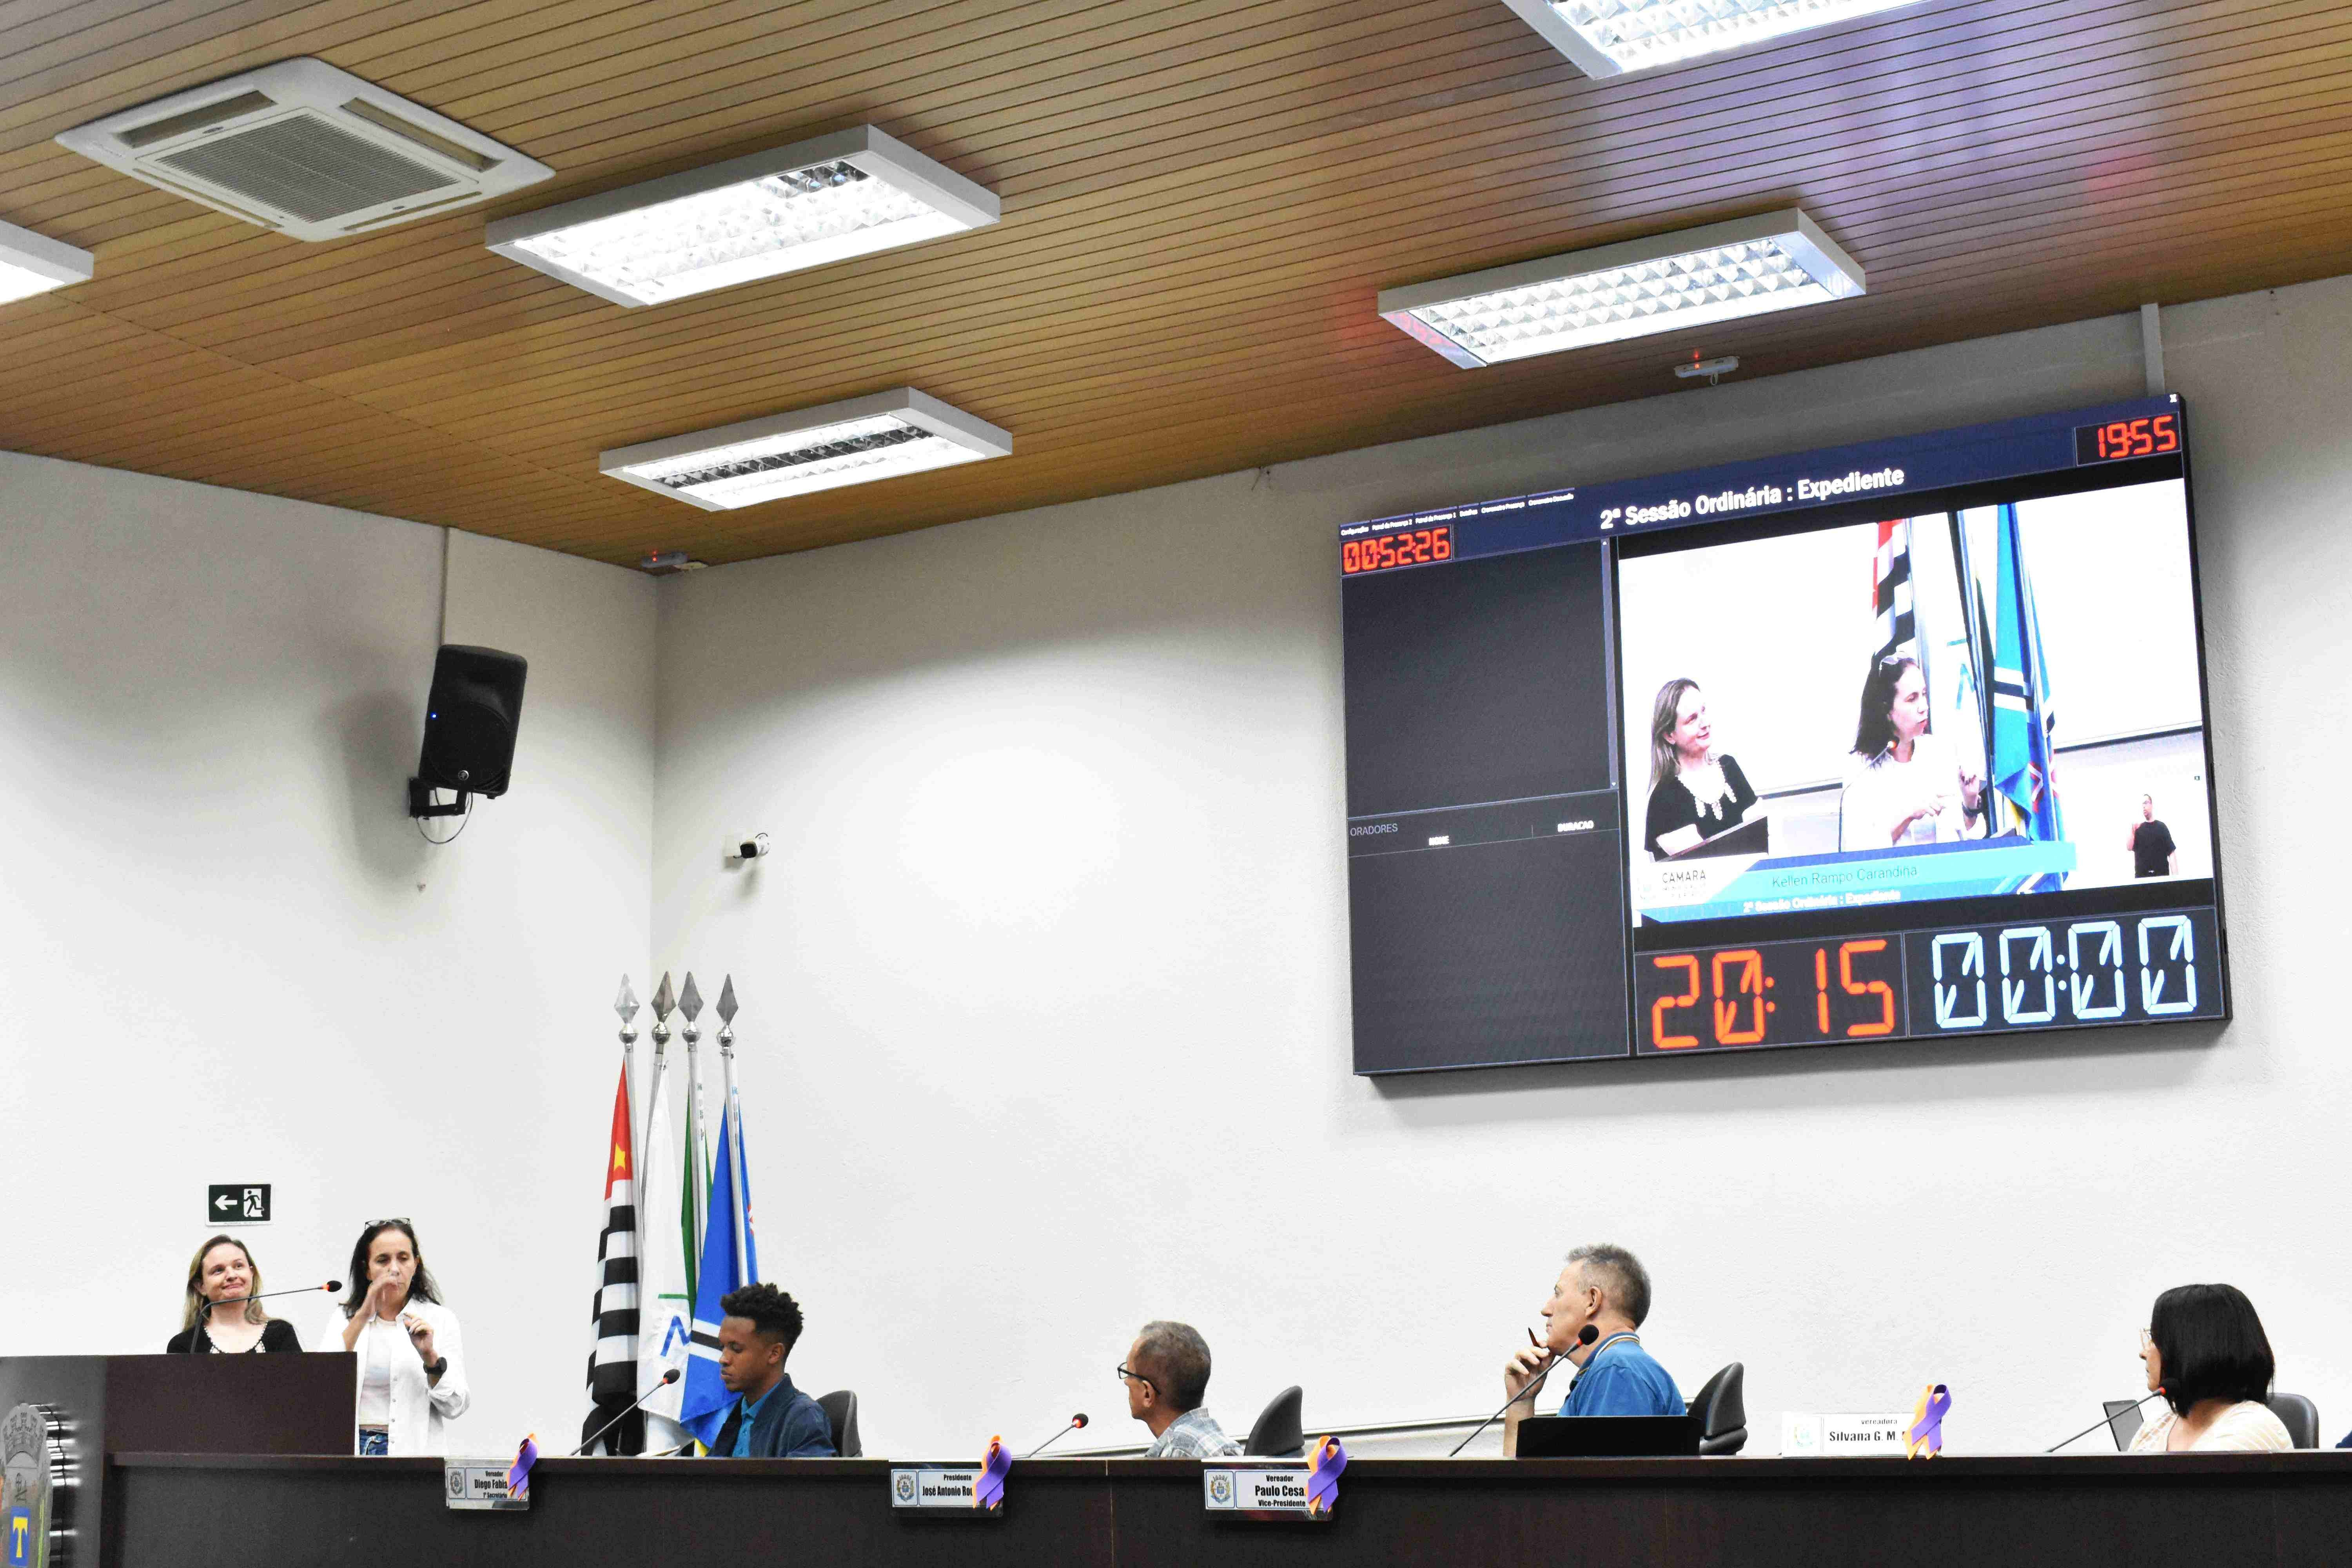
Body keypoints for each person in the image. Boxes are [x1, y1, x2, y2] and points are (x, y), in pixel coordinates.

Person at [1500, 1244, 1682, 1457]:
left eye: (1558, 1294)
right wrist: (1521, 1401)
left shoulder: (1617, 1371)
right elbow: (1519, 1478)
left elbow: (1606, 1478)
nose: (1546, 1309)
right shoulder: (1614, 1369)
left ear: (1592, 1301)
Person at [337, 1219, 467, 1456]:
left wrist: (431, 1359)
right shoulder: (344, 1319)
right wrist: (362, 1315)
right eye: (383, 1260)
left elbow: (455, 1406)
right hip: (353, 1453)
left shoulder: (441, 1319)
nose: (394, 1269)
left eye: (403, 1258)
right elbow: (321, 1386)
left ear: (416, 1264)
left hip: (411, 1455)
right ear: (367, 1270)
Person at [1838, 655, 1985, 849]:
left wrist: (1970, 801)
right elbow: (1857, 851)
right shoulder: (1861, 769)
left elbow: (1969, 832)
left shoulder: (1939, 750)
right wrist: (1908, 814)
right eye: (1912, 699)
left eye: (1924, 694)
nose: (1924, 707)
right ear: (1887, 710)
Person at [2128, 1283, 2292, 1452]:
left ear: (2192, 1349)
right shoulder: (2154, 1428)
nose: (2143, 1353)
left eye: (2155, 1339)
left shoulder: (2255, 1427)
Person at [708, 1283, 836, 1457]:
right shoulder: (740, 1414)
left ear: (774, 1354)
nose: (723, 1359)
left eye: (736, 1349)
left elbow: (808, 1476)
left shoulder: (804, 1417)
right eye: (722, 1347)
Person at [1642, 678, 1760, 859]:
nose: (1705, 724)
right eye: (1692, 719)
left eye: (1703, 711)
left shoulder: (1730, 767)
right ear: (1669, 735)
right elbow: (1705, 863)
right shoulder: (1664, 798)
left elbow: (1760, 836)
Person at [1120, 1321, 1241, 1458]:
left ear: (1147, 1393)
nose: (1126, 1382)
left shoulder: (1178, 1454)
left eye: (1129, 1373)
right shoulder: (1222, 1444)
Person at [167, 1234, 303, 1354]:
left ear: (252, 1273)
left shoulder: (281, 1334)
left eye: (239, 1266)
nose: (232, 1275)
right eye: (219, 1270)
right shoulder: (184, 1345)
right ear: (201, 1286)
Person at [2127, 794, 2177, 877]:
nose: (2144, 806)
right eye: (2142, 804)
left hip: (2161, 880)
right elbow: (2129, 847)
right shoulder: (2137, 829)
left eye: (2146, 803)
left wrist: (2177, 880)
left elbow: (2171, 853)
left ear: (2152, 805)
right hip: (2142, 881)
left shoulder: (2162, 827)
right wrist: (2133, 831)